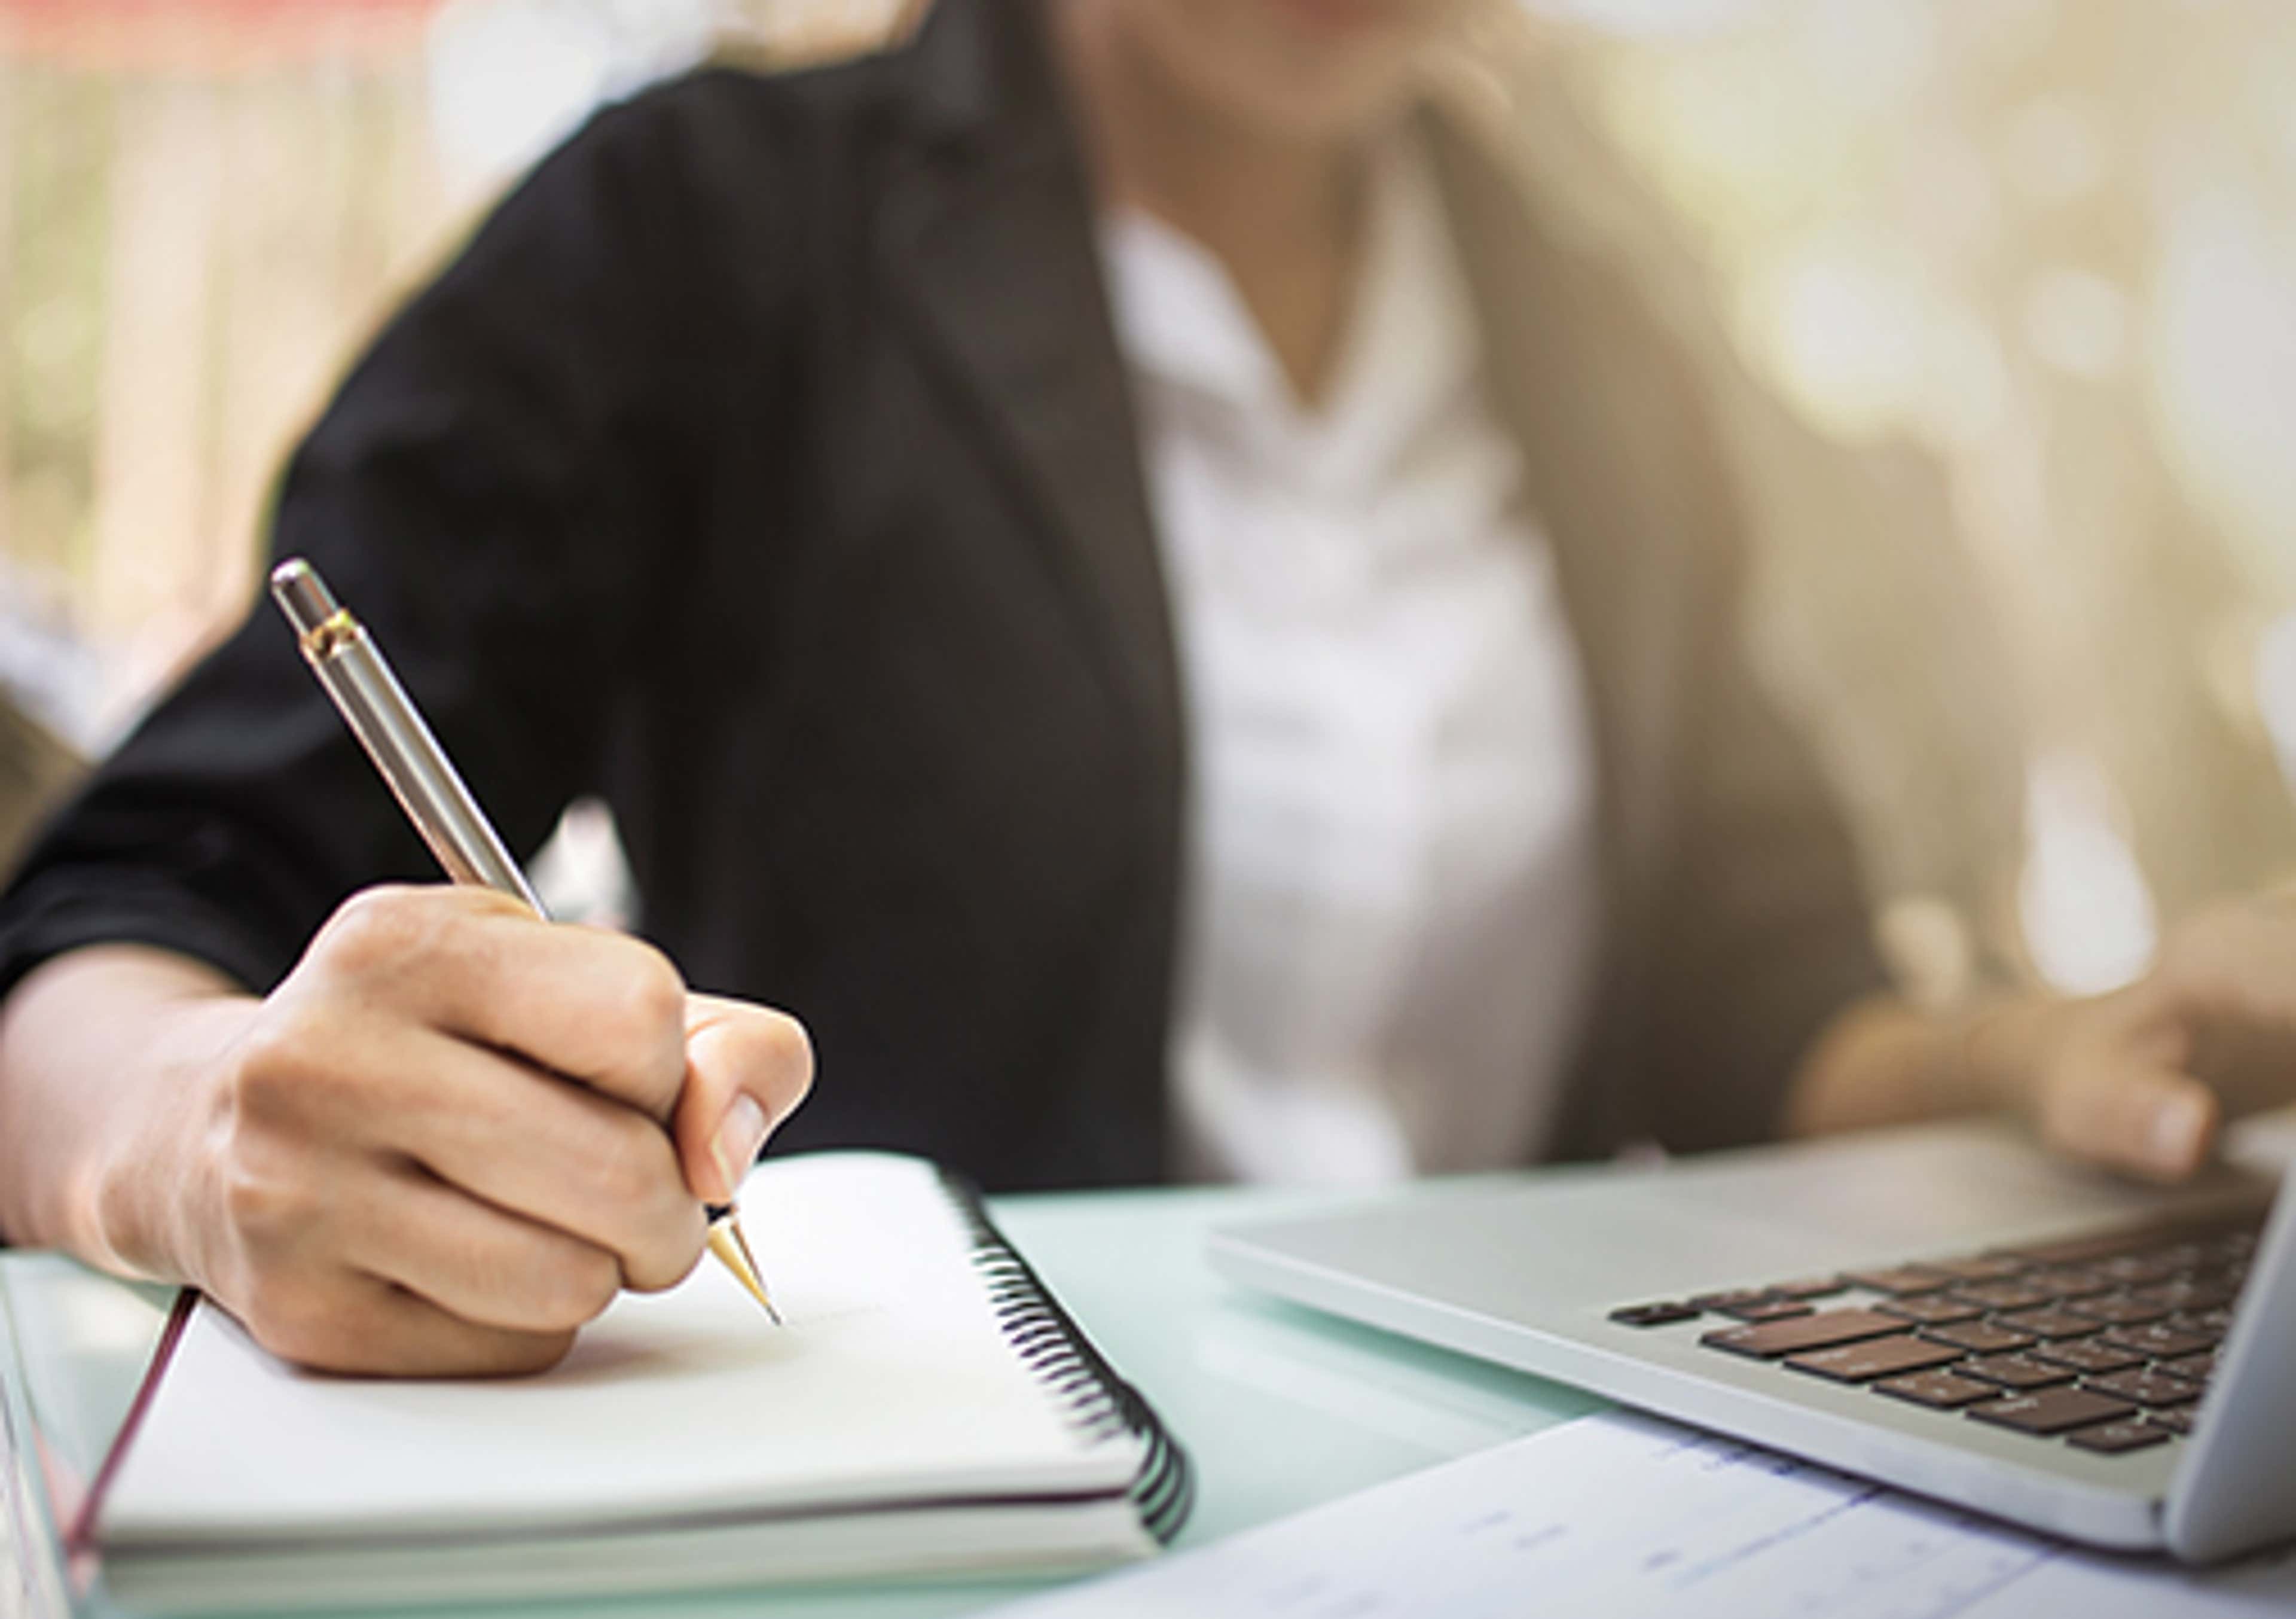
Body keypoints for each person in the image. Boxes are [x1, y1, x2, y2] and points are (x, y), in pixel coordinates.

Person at [0, 0, 2291, 1378]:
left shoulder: (1605, 329)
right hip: (918, 1516)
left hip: (1522, 1524)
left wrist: (2038, 1059)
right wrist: (193, 1138)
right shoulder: (702, 237)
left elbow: (1747, 999)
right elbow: (117, 926)